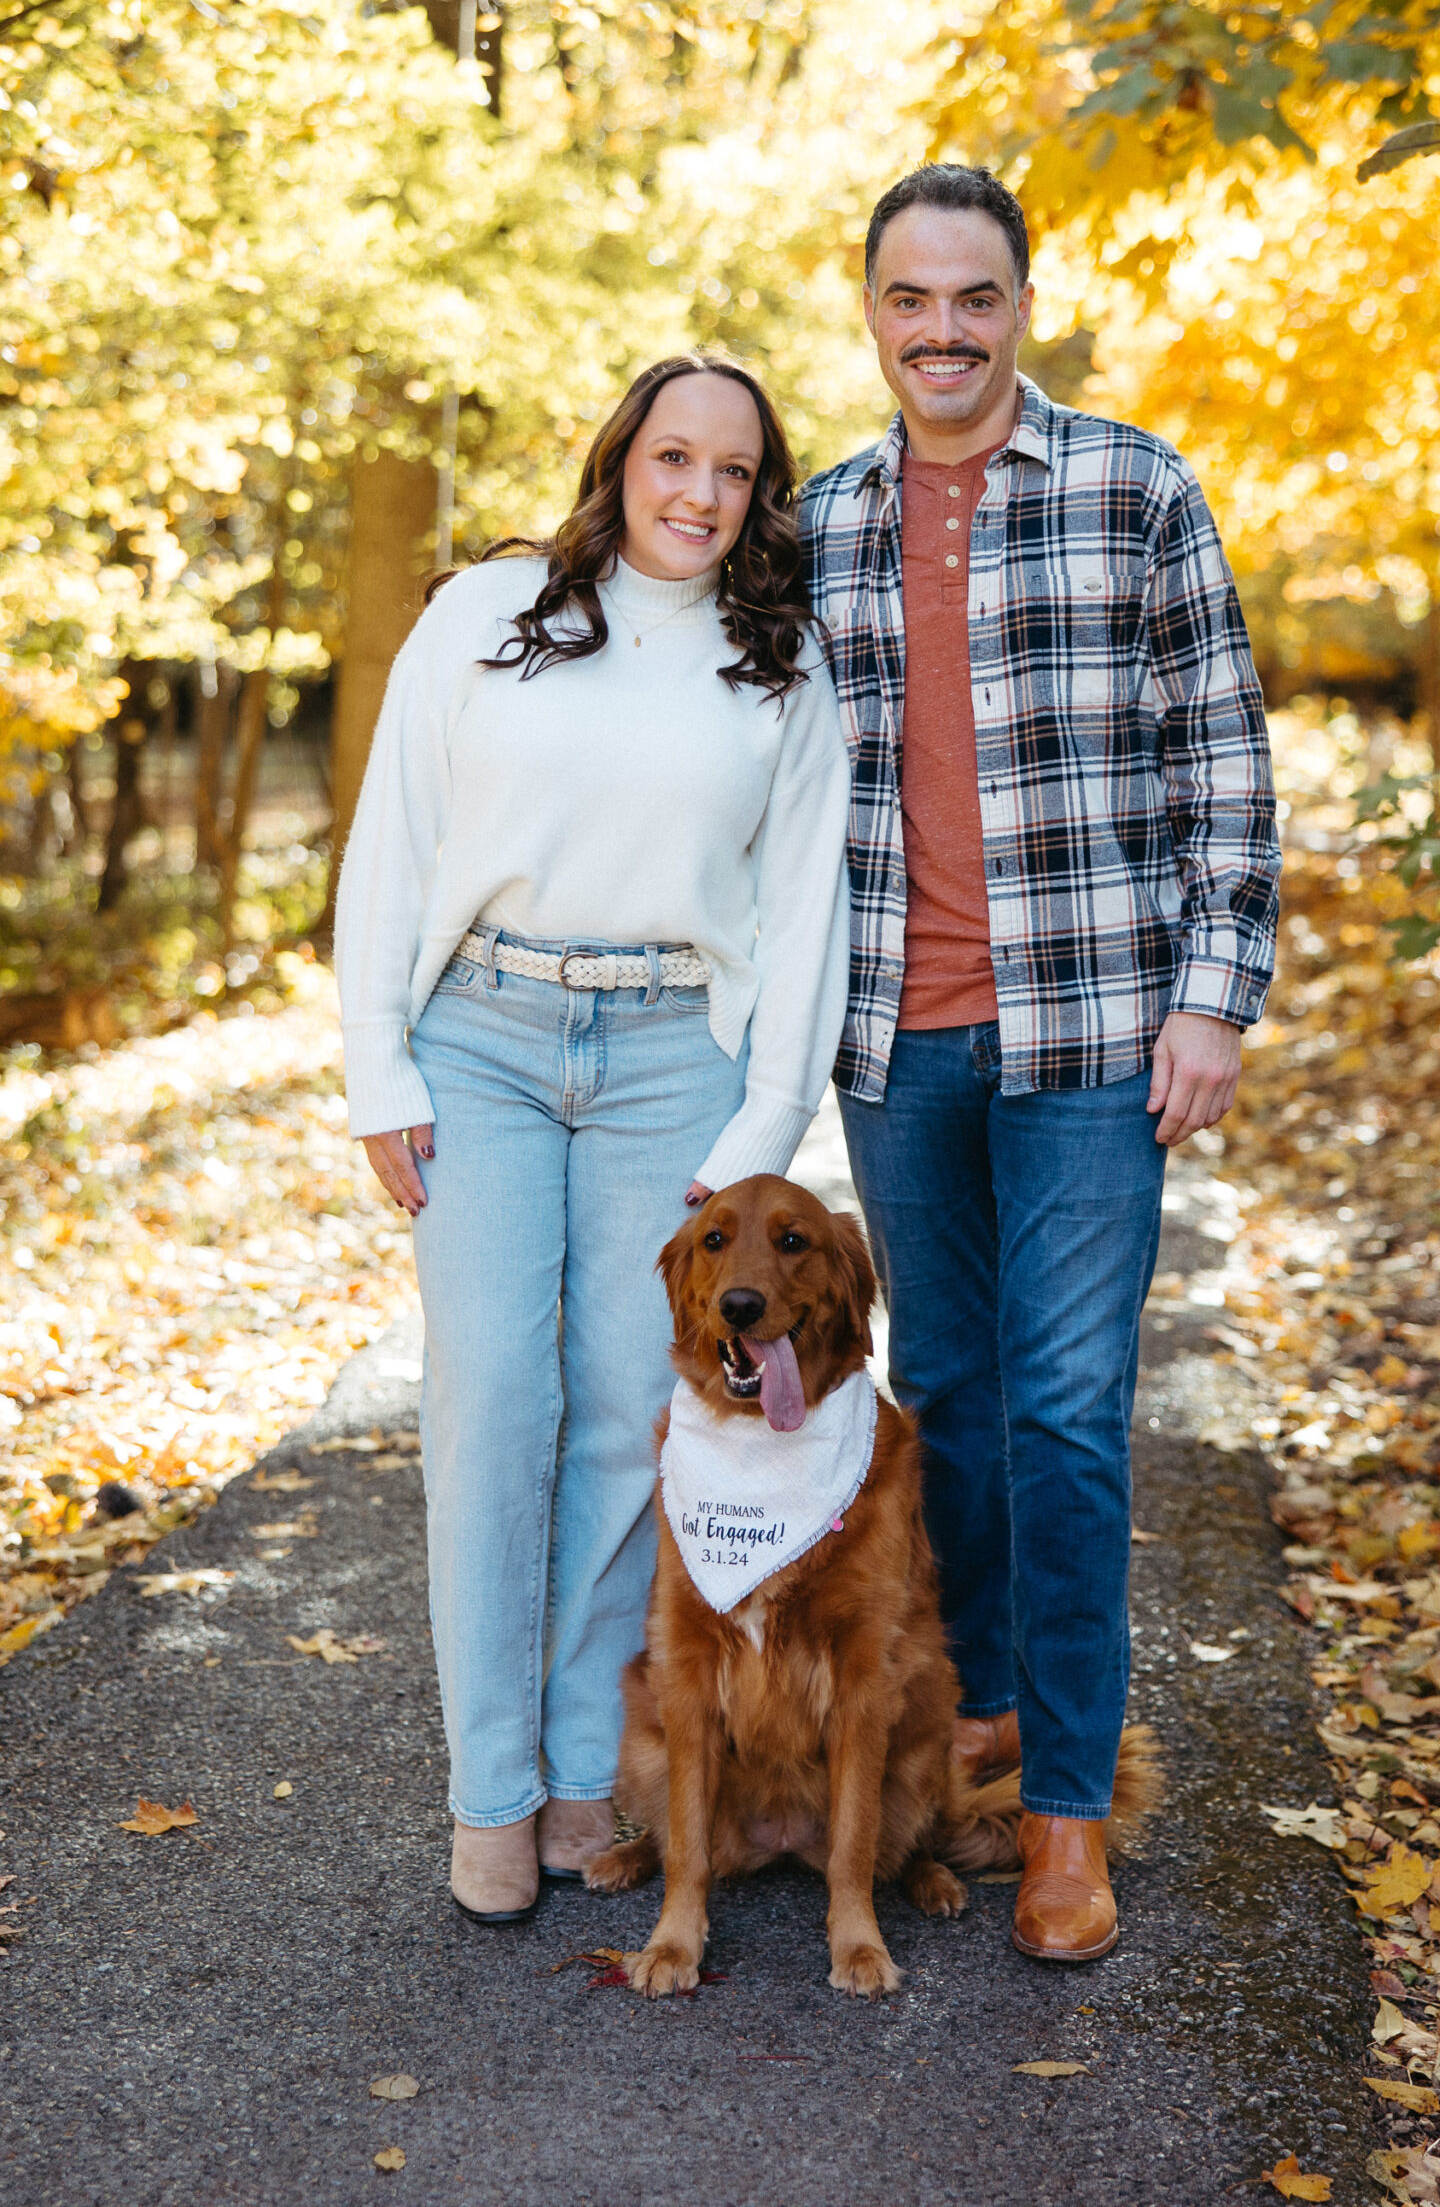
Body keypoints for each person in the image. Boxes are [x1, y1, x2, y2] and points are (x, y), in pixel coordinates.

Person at [799, 165, 1280, 1964]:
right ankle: (986, 1712)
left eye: (974, 298)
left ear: (1022, 303)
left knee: (1071, 1420)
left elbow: (1222, 759)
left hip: (1093, 1034)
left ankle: (1068, 1812)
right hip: (895, 1042)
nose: (943, 330)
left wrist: (1215, 995)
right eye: (911, 299)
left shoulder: (1135, 489)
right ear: (873, 312)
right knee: (963, 1405)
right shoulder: (824, 522)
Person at [335, 355, 850, 1924]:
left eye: (734, 474)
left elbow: (806, 906)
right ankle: (487, 1790)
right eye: (672, 459)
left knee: (635, 1408)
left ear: (761, 497)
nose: (698, 495)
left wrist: (766, 1119)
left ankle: (581, 1773)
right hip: (479, 1039)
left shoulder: (783, 668)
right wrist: (377, 1068)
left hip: (666, 1057)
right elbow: (390, 844)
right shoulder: (482, 619)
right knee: (494, 1395)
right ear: (622, 460)